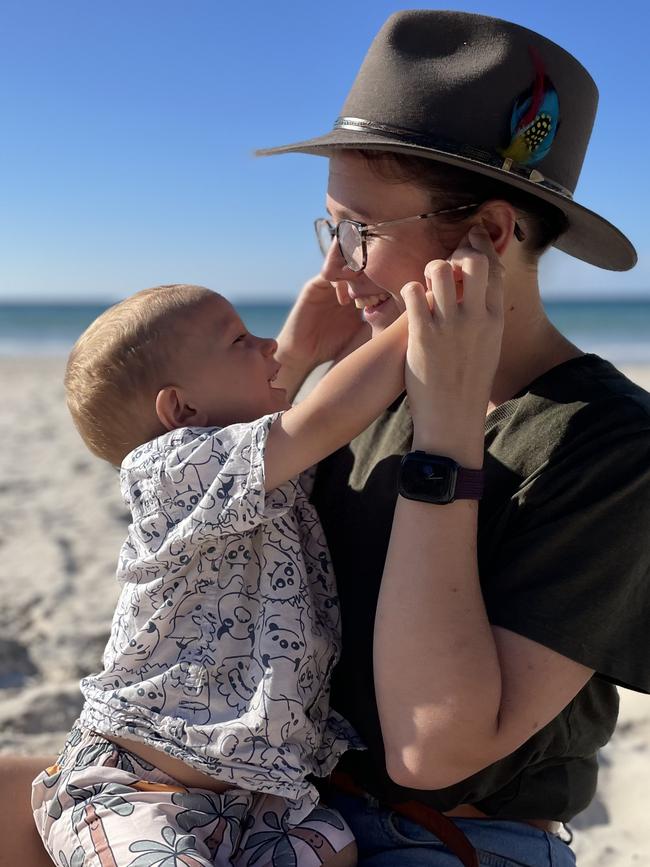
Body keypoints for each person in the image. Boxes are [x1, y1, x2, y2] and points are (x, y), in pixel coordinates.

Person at [2, 9, 649, 867]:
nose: (334, 270)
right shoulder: (364, 392)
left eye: (360, 233)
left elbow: (433, 750)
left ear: (488, 238)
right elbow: (246, 470)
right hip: (260, 797)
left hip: (438, 834)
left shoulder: (607, 446)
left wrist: (448, 433)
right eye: (329, 231)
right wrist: (304, 363)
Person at [28, 281, 417, 867]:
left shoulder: (264, 475)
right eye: (241, 338)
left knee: (330, 849)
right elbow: (325, 416)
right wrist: (426, 313)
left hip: (259, 799)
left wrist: (316, 334)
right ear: (180, 412)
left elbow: (291, 413)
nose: (271, 347)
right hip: (135, 782)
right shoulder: (171, 470)